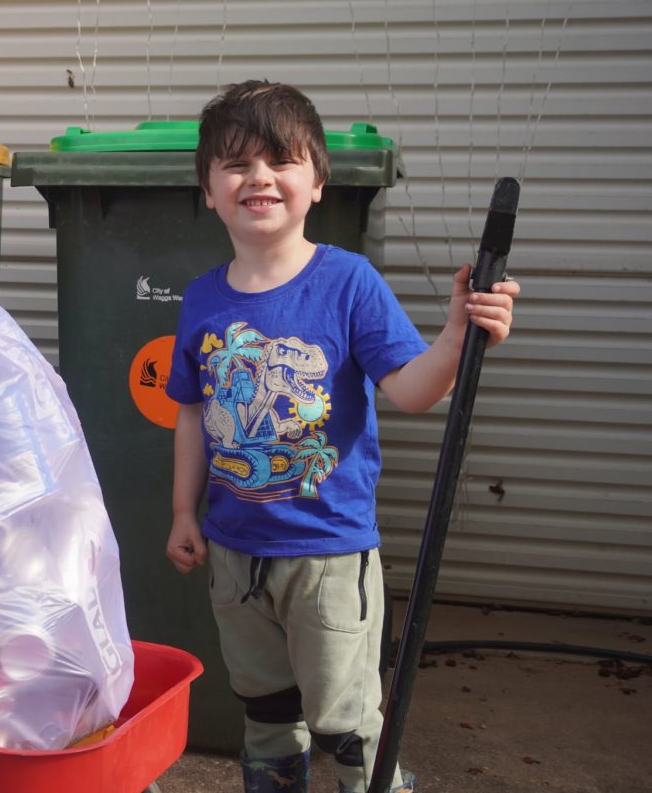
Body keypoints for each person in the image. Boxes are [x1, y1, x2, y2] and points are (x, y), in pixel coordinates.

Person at [164, 80, 520, 793]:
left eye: (280, 160)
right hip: (233, 552)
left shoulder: (348, 282)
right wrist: (182, 511)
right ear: (208, 190)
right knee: (264, 712)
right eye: (235, 164)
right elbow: (194, 411)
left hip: (326, 555)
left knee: (347, 725)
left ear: (318, 183)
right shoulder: (202, 297)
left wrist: (457, 336)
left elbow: (413, 391)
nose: (259, 177)